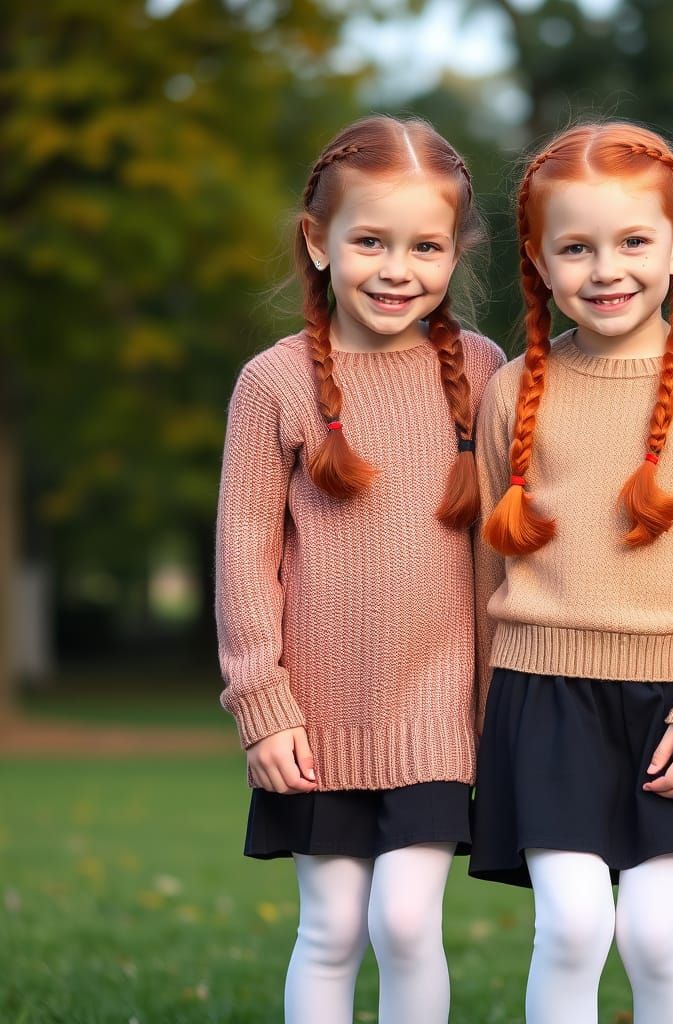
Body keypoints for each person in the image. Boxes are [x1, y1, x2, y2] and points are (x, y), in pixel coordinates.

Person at [469, 121, 673, 1024]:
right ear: (539, 258)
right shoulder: (512, 391)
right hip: (544, 700)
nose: (606, 269)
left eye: (634, 242)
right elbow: (488, 561)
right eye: (576, 247)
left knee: (653, 935)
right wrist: (484, 709)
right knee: (570, 928)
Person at [215, 114, 504, 1024]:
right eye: (370, 240)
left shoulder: (485, 372)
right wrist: (262, 705)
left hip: (437, 711)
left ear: (455, 252)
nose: (396, 268)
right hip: (315, 716)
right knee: (331, 927)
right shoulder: (274, 382)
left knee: (408, 921)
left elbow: (501, 553)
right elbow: (242, 551)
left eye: (426, 246)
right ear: (318, 240)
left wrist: (499, 706)